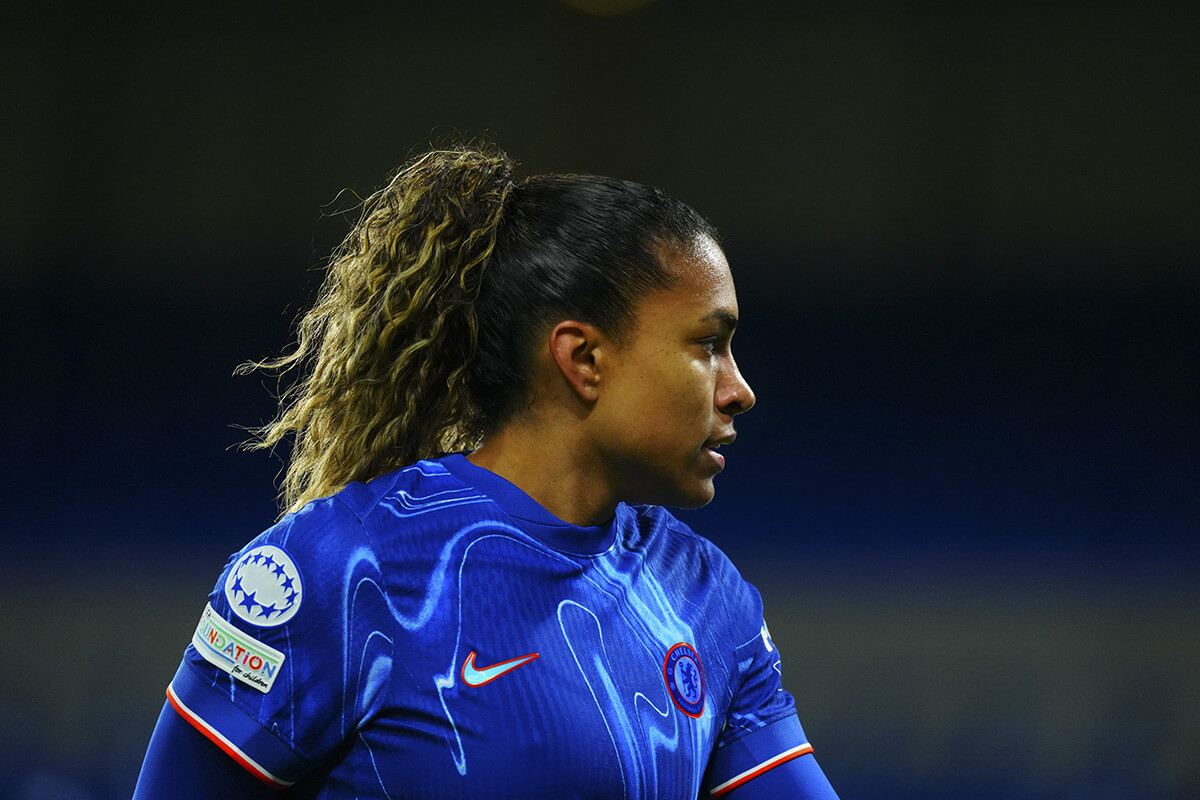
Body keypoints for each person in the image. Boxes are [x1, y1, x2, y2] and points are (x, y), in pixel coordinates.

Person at [132, 145, 840, 799]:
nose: (739, 389)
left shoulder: (710, 599)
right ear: (584, 359)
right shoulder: (336, 572)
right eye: (709, 344)